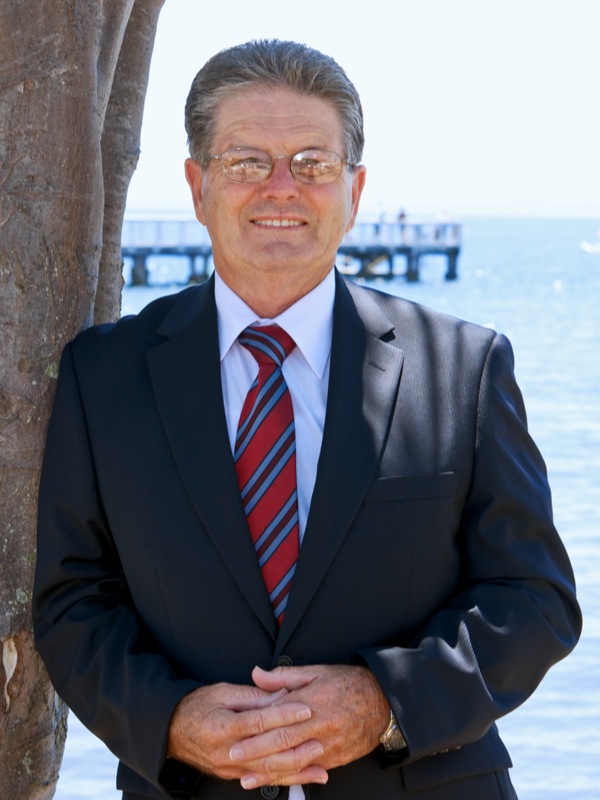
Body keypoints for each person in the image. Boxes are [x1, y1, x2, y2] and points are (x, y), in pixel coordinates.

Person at [33, 39, 581, 800]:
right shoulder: (103, 375)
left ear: (355, 190)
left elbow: (534, 599)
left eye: (313, 163)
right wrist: (172, 721)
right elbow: (73, 601)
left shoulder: (464, 367)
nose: (281, 188)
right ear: (197, 187)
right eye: (246, 161)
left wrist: (385, 703)